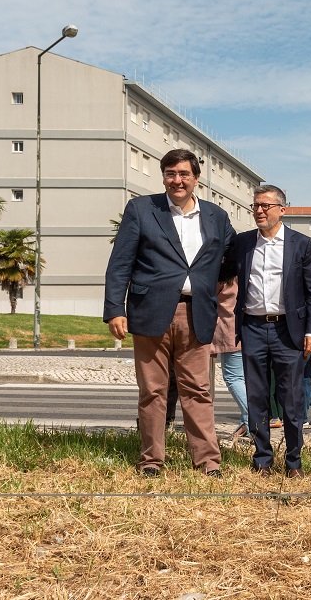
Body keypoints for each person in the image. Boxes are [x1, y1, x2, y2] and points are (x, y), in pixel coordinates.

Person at [104, 148, 235, 477]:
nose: (177, 180)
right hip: (150, 313)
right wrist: (114, 310)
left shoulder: (216, 216)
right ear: (163, 176)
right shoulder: (141, 209)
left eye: (184, 174)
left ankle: (207, 462)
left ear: (196, 178)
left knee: (198, 391)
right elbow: (120, 263)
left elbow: (231, 256)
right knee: (152, 392)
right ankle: (151, 461)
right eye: (170, 174)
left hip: (198, 314)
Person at [235, 184, 311, 478]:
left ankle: (294, 461)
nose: (259, 211)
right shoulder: (243, 243)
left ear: (282, 210)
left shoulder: (300, 243)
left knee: (292, 398)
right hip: (252, 327)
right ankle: (262, 459)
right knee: (256, 397)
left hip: (289, 330)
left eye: (265, 206)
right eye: (255, 206)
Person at [211, 266, 248, 442]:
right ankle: (246, 422)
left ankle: (253, 420)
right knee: (242, 378)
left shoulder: (223, 279)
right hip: (244, 330)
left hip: (228, 332)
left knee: (234, 378)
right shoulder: (244, 275)